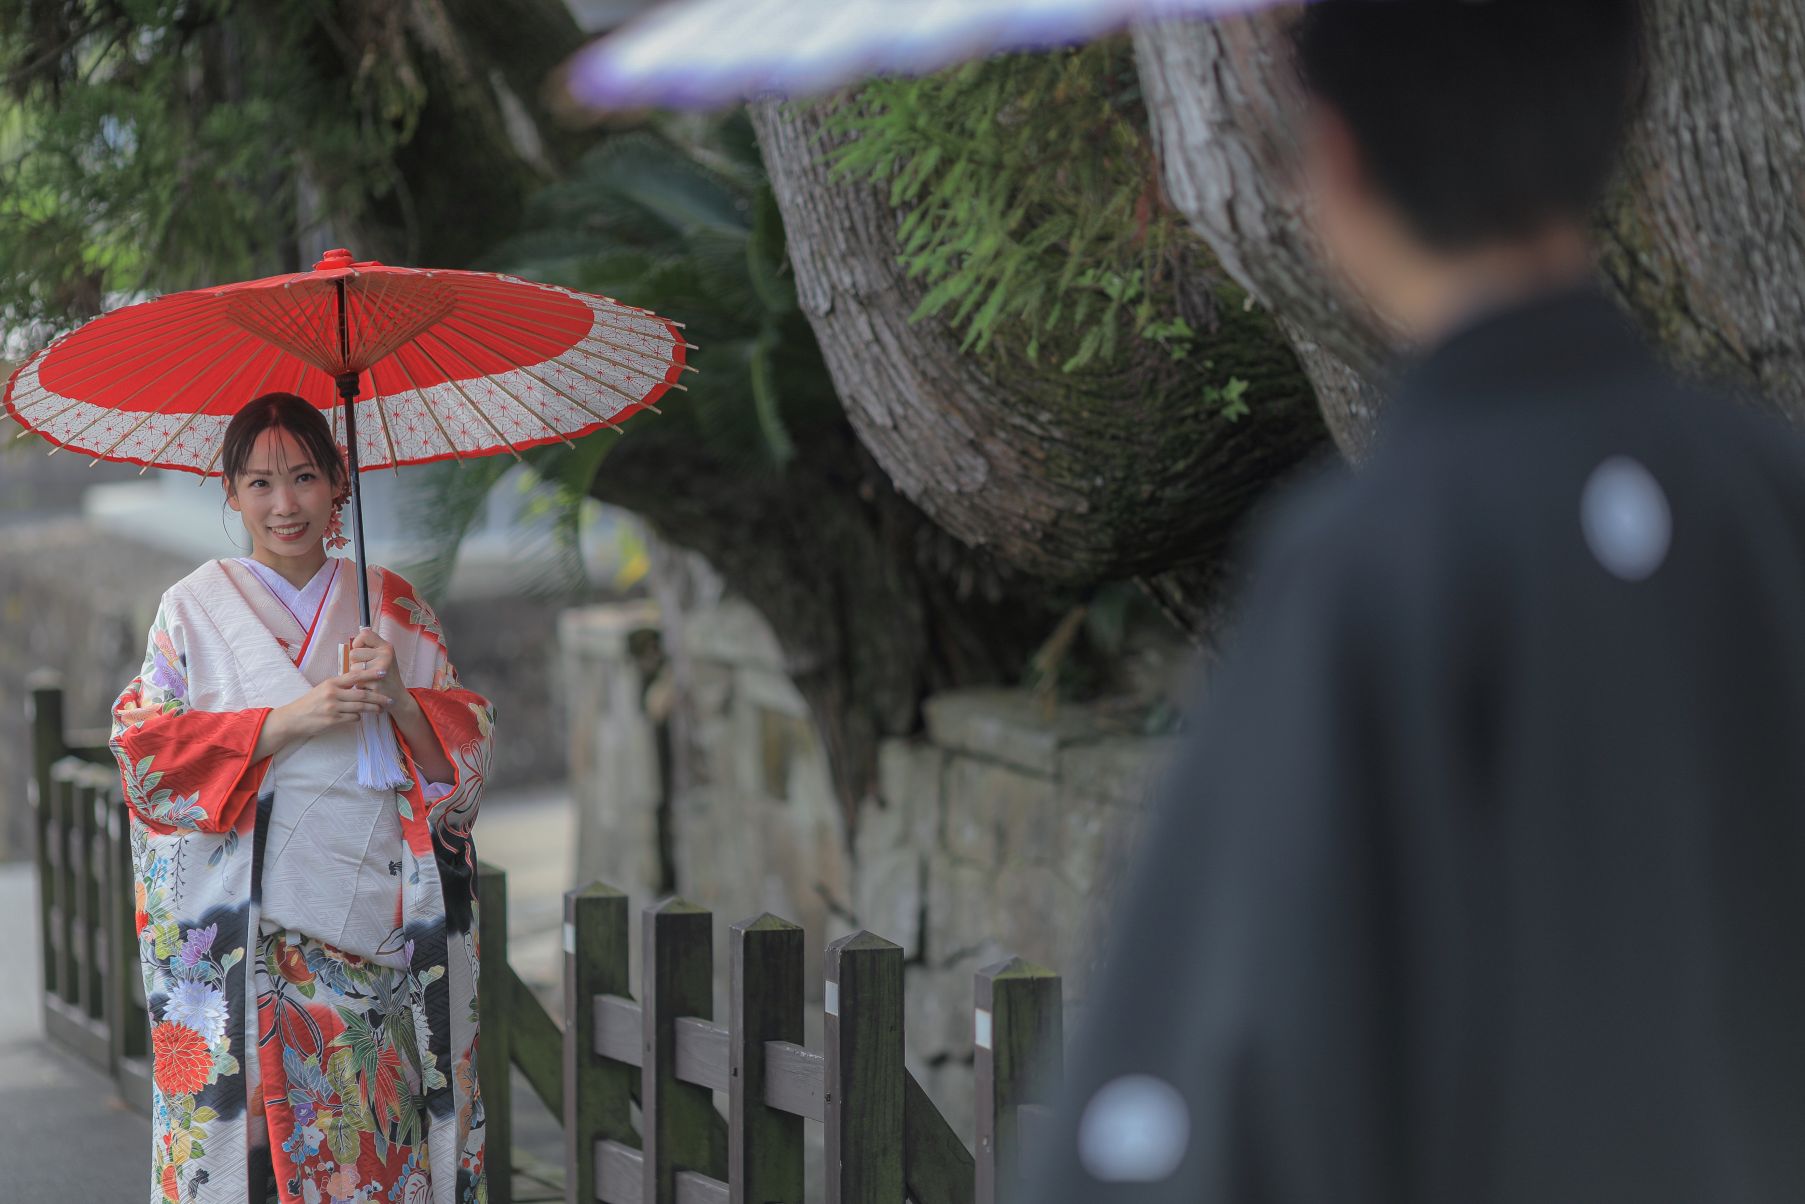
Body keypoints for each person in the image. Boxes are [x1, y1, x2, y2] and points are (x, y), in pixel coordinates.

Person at [1031, 1, 1805, 1200]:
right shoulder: (1767, 495)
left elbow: (1196, 1082)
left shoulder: (1367, 564)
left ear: (1333, 159)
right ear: (1621, 111)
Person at [109, 392, 496, 1204]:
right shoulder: (190, 611)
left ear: (338, 484)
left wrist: (399, 699)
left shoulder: (392, 609)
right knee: (246, 1167)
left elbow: (465, 759)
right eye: (259, 484)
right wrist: (285, 722)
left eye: (305, 477)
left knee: (372, 1157)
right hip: (245, 942)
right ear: (230, 493)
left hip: (371, 941)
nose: (285, 505)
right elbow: (145, 756)